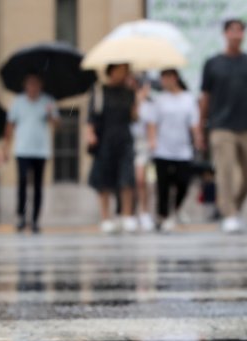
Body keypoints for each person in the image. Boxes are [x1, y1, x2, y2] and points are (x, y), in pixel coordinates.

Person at [199, 18, 247, 234]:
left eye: (240, 30)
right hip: (220, 126)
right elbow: (205, 97)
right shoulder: (213, 63)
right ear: (225, 34)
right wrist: (200, 126)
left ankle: (234, 208)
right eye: (233, 30)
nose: (237, 34)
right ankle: (230, 214)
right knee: (225, 171)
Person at [147, 69, 203, 232]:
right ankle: (162, 216)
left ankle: (175, 210)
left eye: (167, 78)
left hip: (182, 149)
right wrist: (152, 140)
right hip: (162, 149)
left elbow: (194, 122)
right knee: (162, 185)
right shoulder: (159, 100)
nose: (165, 81)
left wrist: (198, 138)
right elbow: (152, 122)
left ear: (175, 78)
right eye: (162, 78)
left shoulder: (188, 99)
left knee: (183, 182)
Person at [87, 63, 139, 234]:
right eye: (120, 69)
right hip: (104, 139)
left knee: (127, 177)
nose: (123, 73)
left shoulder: (129, 92)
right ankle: (105, 217)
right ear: (112, 71)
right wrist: (90, 134)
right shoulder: (99, 91)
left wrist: (138, 97)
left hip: (124, 138)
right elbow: (90, 117)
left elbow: (134, 118)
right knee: (104, 180)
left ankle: (126, 215)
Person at [5, 73, 59, 234]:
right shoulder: (18, 102)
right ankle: (21, 216)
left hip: (41, 150)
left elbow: (57, 123)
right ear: (25, 85)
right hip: (22, 149)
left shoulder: (48, 101)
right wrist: (6, 146)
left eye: (36, 84)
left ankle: (35, 219)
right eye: (30, 84)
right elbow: (10, 124)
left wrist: (50, 114)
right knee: (22, 182)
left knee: (37, 185)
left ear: (41, 85)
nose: (33, 87)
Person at [129, 75, 156, 232]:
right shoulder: (127, 102)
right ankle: (129, 213)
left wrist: (153, 141)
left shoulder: (149, 105)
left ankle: (144, 212)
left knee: (141, 180)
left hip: (142, 144)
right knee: (129, 182)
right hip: (127, 143)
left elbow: (151, 124)